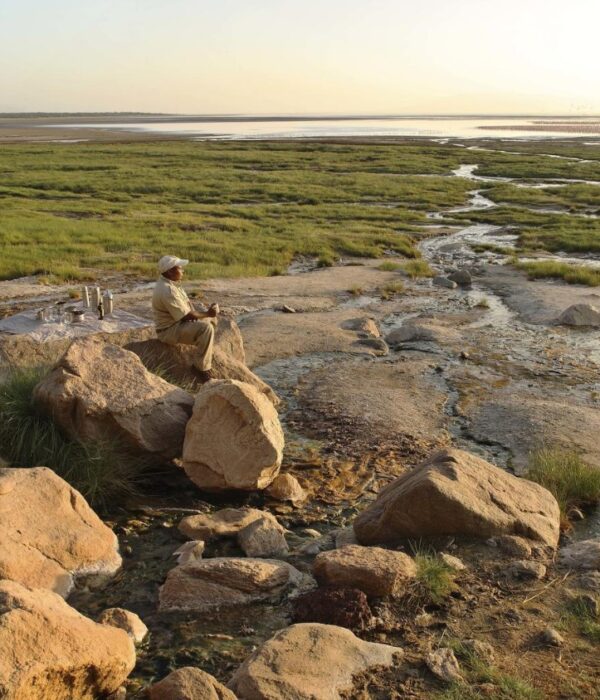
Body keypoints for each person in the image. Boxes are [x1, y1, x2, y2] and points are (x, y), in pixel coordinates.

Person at [152, 255, 218, 381]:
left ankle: (204, 351)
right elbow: (186, 315)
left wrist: (206, 314)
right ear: (170, 271)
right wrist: (208, 314)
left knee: (210, 321)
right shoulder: (167, 290)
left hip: (177, 323)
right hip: (168, 330)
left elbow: (187, 309)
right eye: (180, 268)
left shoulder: (171, 283)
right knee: (206, 328)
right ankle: (201, 368)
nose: (183, 271)